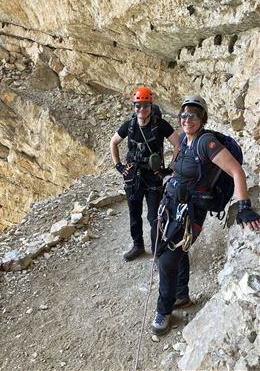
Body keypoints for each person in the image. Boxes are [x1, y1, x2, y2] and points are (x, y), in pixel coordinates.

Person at [152, 94, 260, 337]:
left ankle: (164, 310)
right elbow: (182, 168)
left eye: (193, 115)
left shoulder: (206, 142)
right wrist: (167, 174)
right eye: (183, 114)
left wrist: (244, 207)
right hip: (171, 204)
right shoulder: (183, 140)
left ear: (202, 119)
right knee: (167, 249)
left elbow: (236, 171)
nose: (186, 119)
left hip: (191, 211)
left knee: (167, 260)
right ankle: (181, 295)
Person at [110, 86, 179, 261]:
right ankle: (138, 245)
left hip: (153, 176)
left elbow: (178, 144)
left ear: (151, 105)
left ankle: (157, 249)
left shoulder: (160, 125)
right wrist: (118, 166)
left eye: (145, 106)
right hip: (133, 176)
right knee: (134, 213)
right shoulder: (130, 125)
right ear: (133, 107)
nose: (142, 109)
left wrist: (169, 168)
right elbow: (114, 142)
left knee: (155, 216)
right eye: (138, 106)